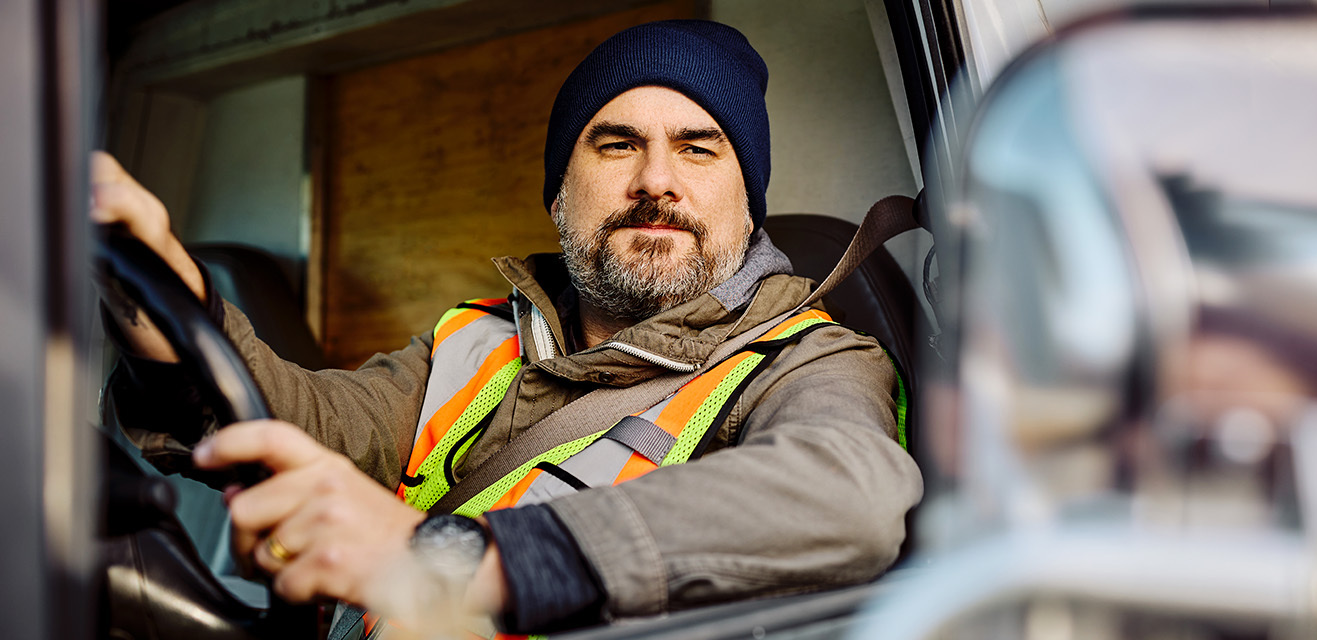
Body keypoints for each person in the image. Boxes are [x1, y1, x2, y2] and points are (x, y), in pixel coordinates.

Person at [96, 19, 921, 637]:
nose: (655, 180)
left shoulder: (810, 357)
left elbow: (850, 491)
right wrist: (166, 293)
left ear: (747, 201)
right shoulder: (475, 337)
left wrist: (465, 559)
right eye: (616, 144)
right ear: (561, 191)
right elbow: (306, 422)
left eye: (700, 149)